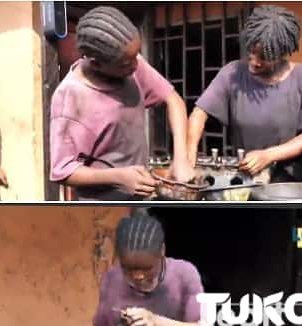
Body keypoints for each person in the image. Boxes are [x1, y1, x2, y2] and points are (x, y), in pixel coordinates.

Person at [49, 6, 194, 201]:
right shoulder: (71, 99)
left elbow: (173, 99)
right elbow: (63, 171)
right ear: (96, 63)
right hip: (101, 208)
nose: (135, 66)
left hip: (139, 197)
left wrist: (181, 158)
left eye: (136, 56)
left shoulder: (132, 63)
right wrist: (118, 177)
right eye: (126, 63)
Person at [187, 5, 302, 182]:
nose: (254, 62)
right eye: (252, 53)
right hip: (246, 180)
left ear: (282, 53)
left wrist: (269, 155)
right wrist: (188, 155)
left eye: (264, 57)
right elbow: (199, 114)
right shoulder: (232, 74)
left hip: (291, 185)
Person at [79, 213, 210, 326]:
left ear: (162, 251)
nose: (138, 276)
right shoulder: (112, 280)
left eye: (147, 268)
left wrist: (155, 321)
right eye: (128, 269)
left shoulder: (184, 274)